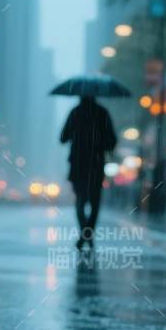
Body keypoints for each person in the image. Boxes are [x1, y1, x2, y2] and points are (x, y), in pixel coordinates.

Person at [59, 95, 117, 245]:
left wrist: (76, 134)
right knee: (95, 202)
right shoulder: (102, 113)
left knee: (80, 200)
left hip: (78, 164)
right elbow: (112, 141)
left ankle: (85, 233)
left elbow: (63, 138)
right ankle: (88, 233)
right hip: (96, 164)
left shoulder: (75, 112)